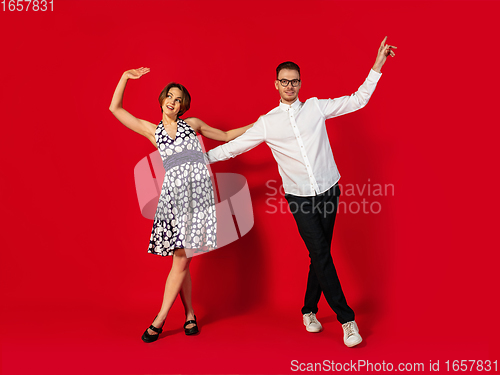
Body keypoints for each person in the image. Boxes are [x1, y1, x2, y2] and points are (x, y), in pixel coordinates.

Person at [204, 37, 396, 347]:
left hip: (330, 190)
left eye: (294, 81)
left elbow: (358, 99)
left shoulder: (317, 108)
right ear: (276, 85)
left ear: (301, 83)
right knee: (320, 253)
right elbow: (232, 148)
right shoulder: (267, 123)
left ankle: (308, 310)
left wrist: (377, 66)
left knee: (319, 255)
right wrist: (197, 159)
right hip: (300, 198)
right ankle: (347, 320)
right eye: (284, 81)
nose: (289, 86)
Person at [109, 67, 253, 343]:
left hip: (198, 197)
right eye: (169, 96)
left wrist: (259, 124)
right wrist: (125, 77)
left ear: (183, 106)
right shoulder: (153, 131)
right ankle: (189, 315)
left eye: (178, 99)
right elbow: (115, 108)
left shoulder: (194, 124)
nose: (173, 101)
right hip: (173, 199)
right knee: (181, 260)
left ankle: (159, 319)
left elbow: (223, 135)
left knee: (181, 260)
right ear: (162, 99)